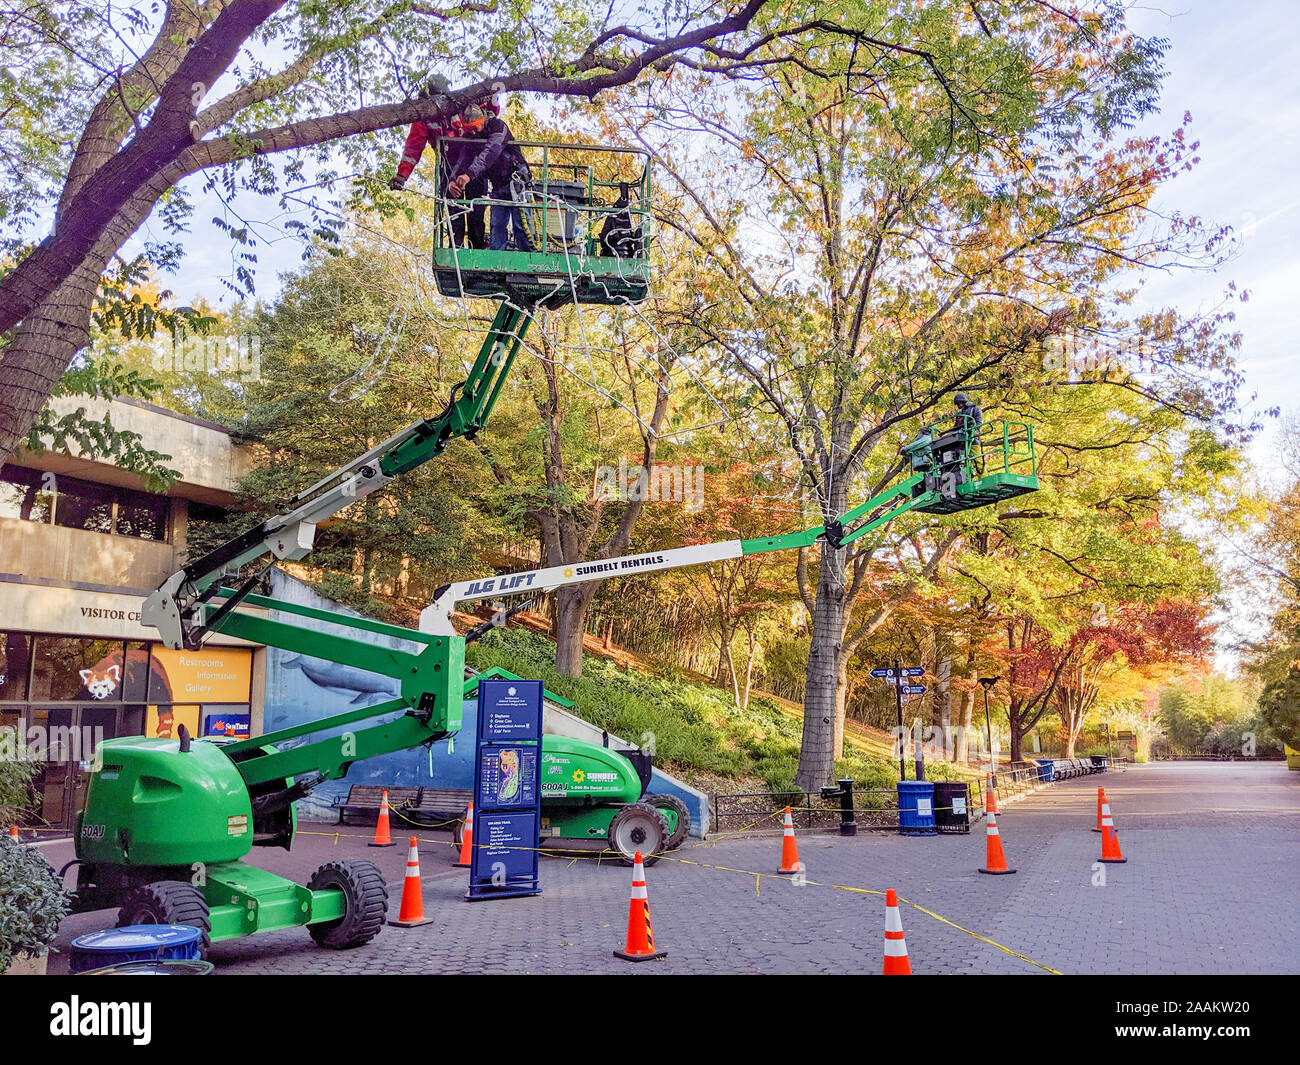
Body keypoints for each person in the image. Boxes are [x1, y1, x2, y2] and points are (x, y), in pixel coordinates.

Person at [446, 104, 534, 252]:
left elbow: (491, 151)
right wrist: (453, 180)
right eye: (469, 128)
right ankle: (496, 260)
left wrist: (469, 174)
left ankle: (529, 259)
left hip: (516, 181)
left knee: (521, 224)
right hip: (498, 186)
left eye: (475, 127)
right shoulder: (471, 137)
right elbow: (463, 160)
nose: (473, 132)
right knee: (497, 225)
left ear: (482, 120)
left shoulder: (498, 127)